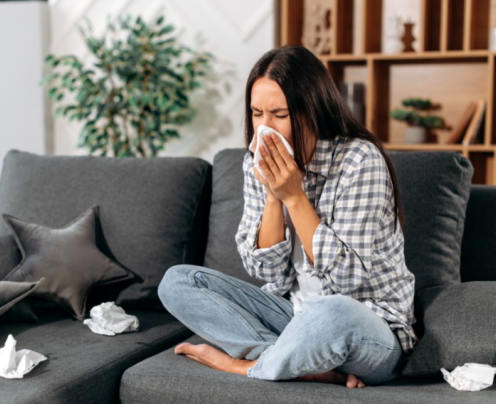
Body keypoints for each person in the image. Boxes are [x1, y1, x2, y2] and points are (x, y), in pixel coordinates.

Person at [157, 44, 416, 388]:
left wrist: (294, 196)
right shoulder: (254, 163)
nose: (266, 128)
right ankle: (303, 364)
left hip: (368, 327)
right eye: (256, 113)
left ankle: (245, 366)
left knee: (330, 310)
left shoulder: (359, 160)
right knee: (177, 282)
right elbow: (265, 271)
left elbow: (346, 281)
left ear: (313, 110)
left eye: (279, 115)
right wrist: (272, 195)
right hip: (294, 317)